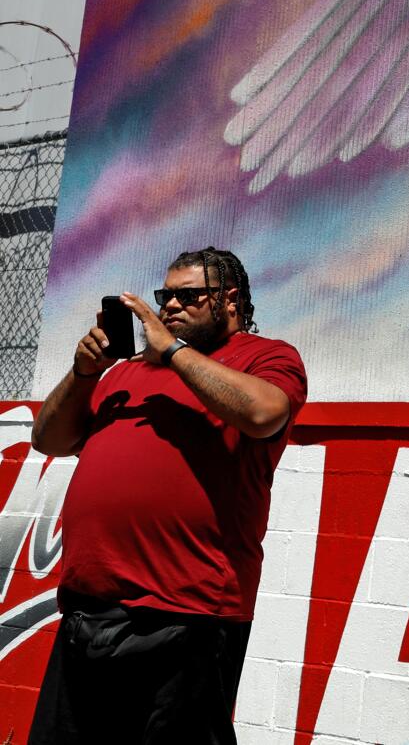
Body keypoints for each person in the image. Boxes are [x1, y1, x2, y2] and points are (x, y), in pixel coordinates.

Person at [27, 247, 307, 745]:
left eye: (188, 295)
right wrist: (84, 371)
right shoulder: (125, 372)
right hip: (89, 611)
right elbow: (48, 440)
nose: (171, 306)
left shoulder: (266, 356)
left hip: (187, 616)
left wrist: (175, 353)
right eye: (165, 296)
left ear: (230, 299)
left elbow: (265, 414)